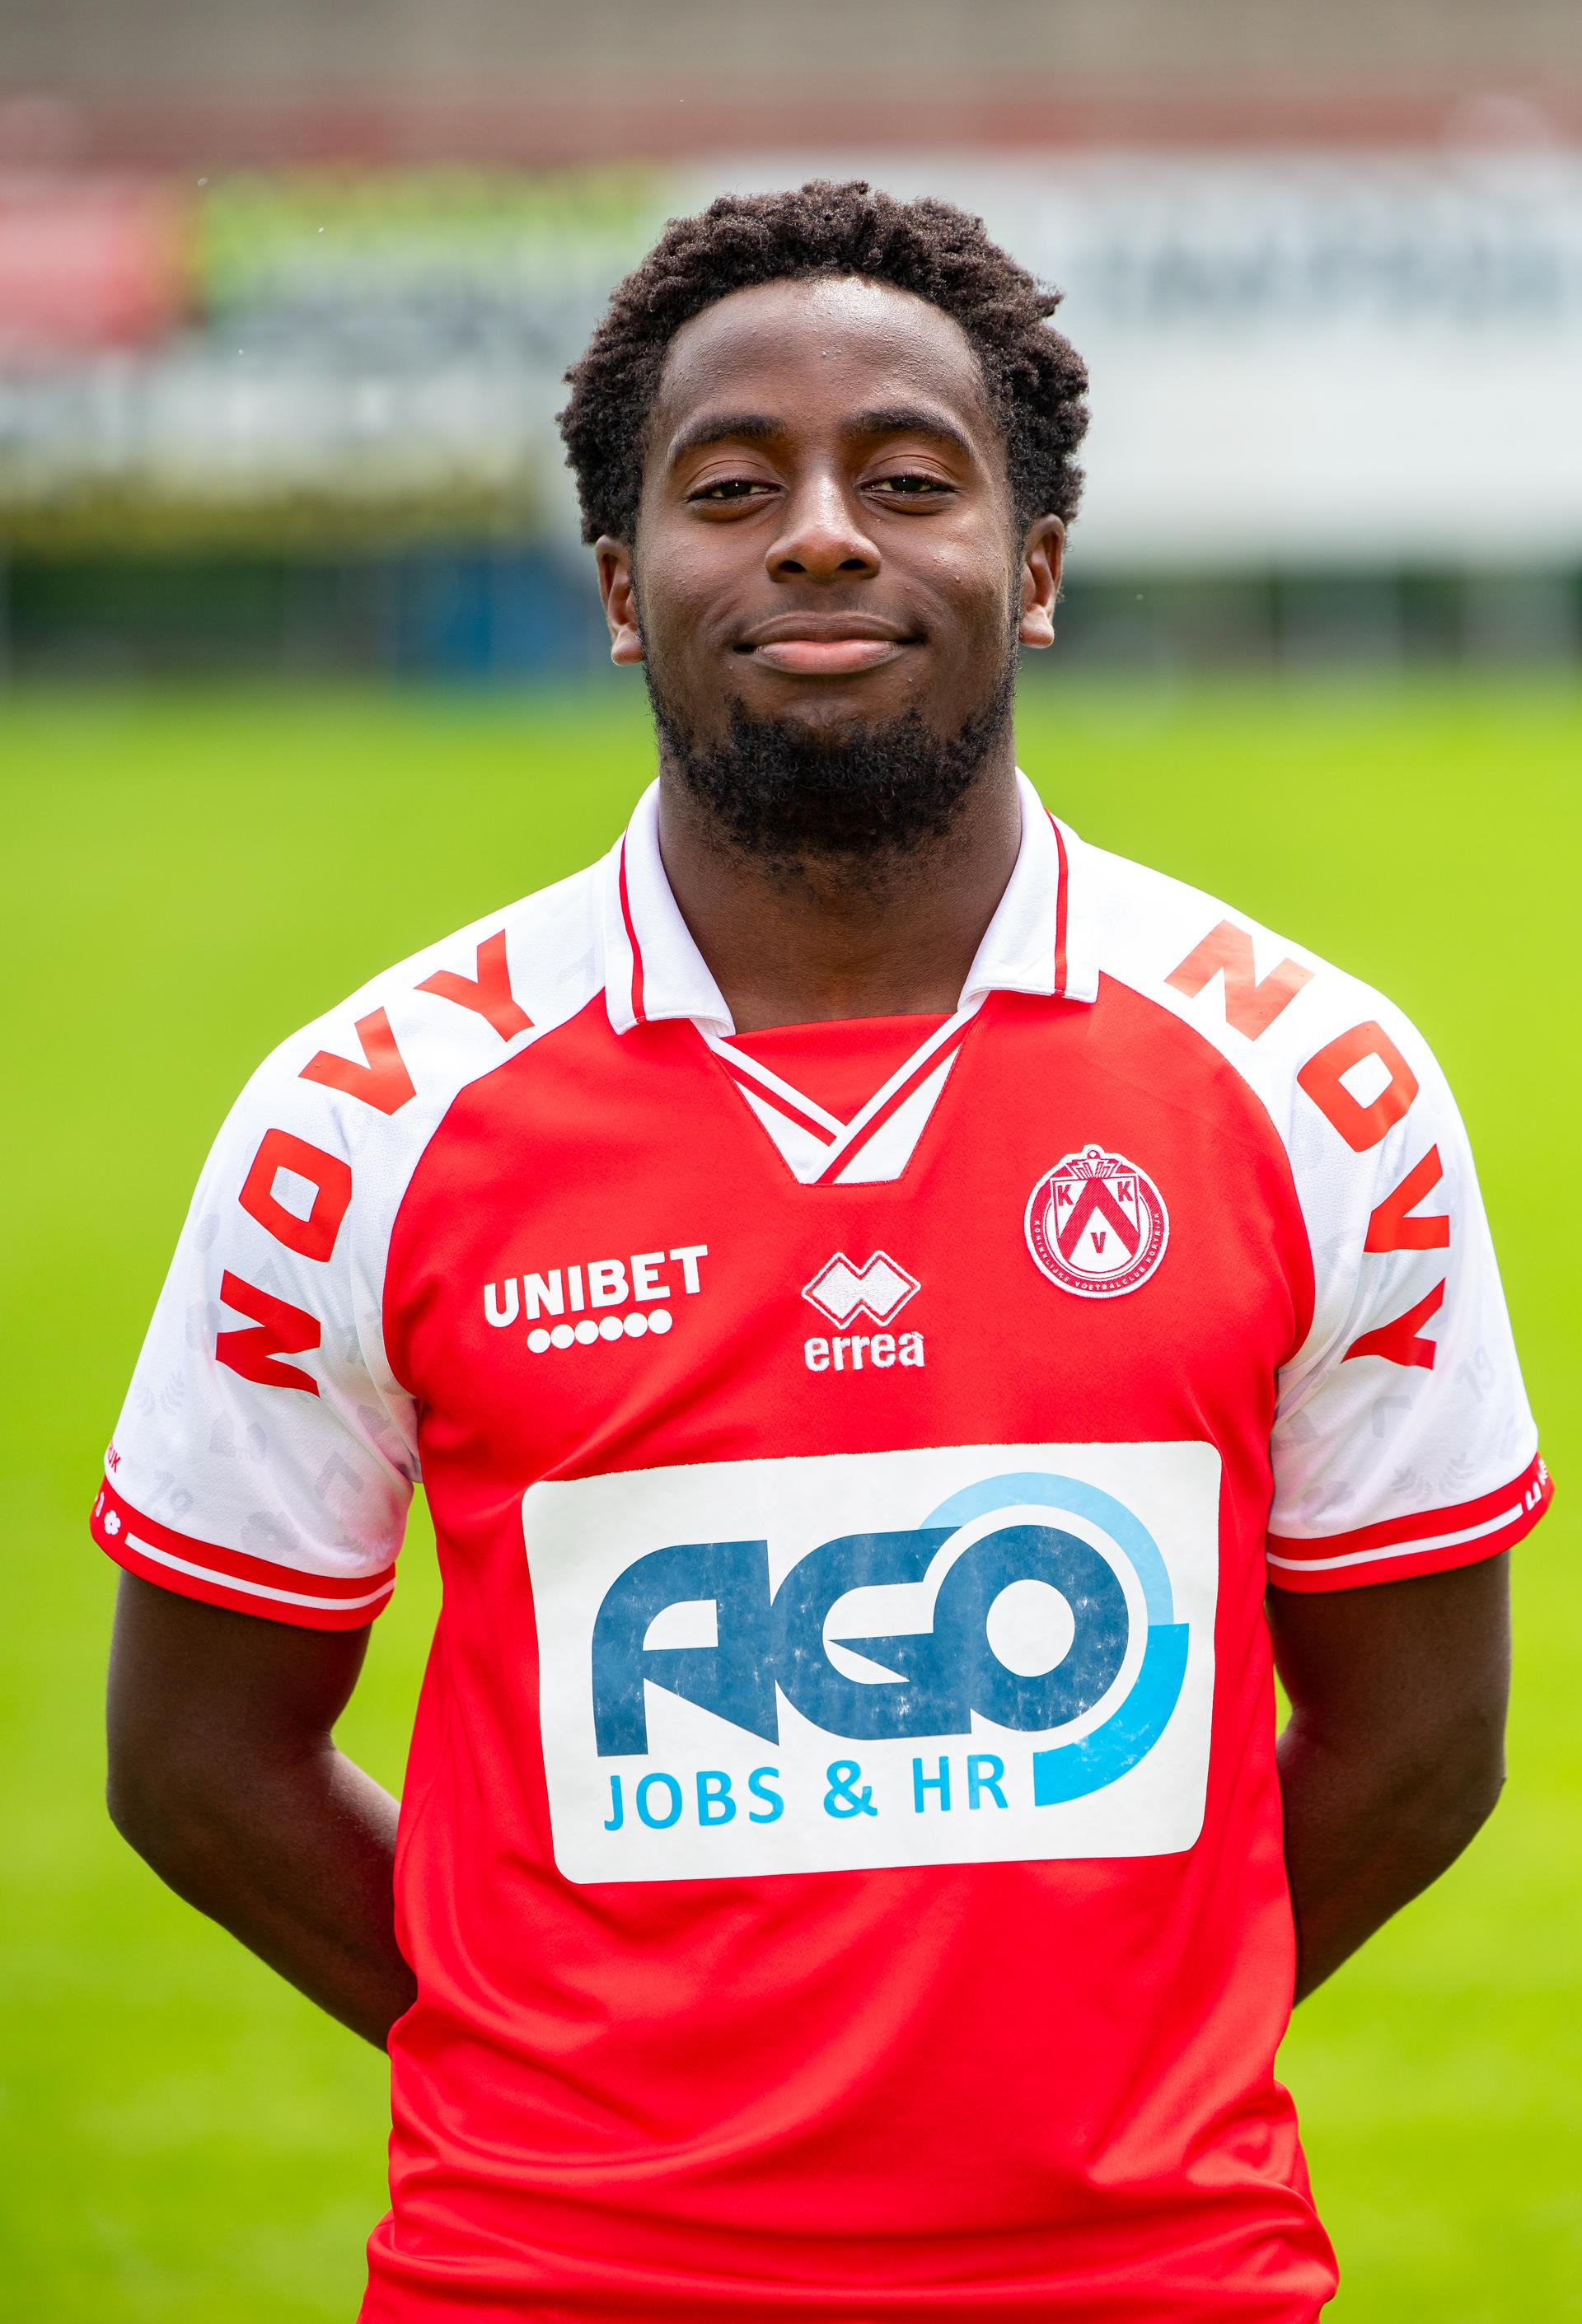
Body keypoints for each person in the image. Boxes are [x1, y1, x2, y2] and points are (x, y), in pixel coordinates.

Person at [97, 180, 1551, 2323]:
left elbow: (1422, 1739)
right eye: (730, 486)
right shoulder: (363, 1120)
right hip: (549, 2277)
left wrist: (1106, 2047)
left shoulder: (1316, 1085)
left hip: (1154, 2275)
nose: (819, 536)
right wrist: (570, 2072)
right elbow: (198, 1763)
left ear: (1033, 564)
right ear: (620, 583)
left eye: (905, 480)